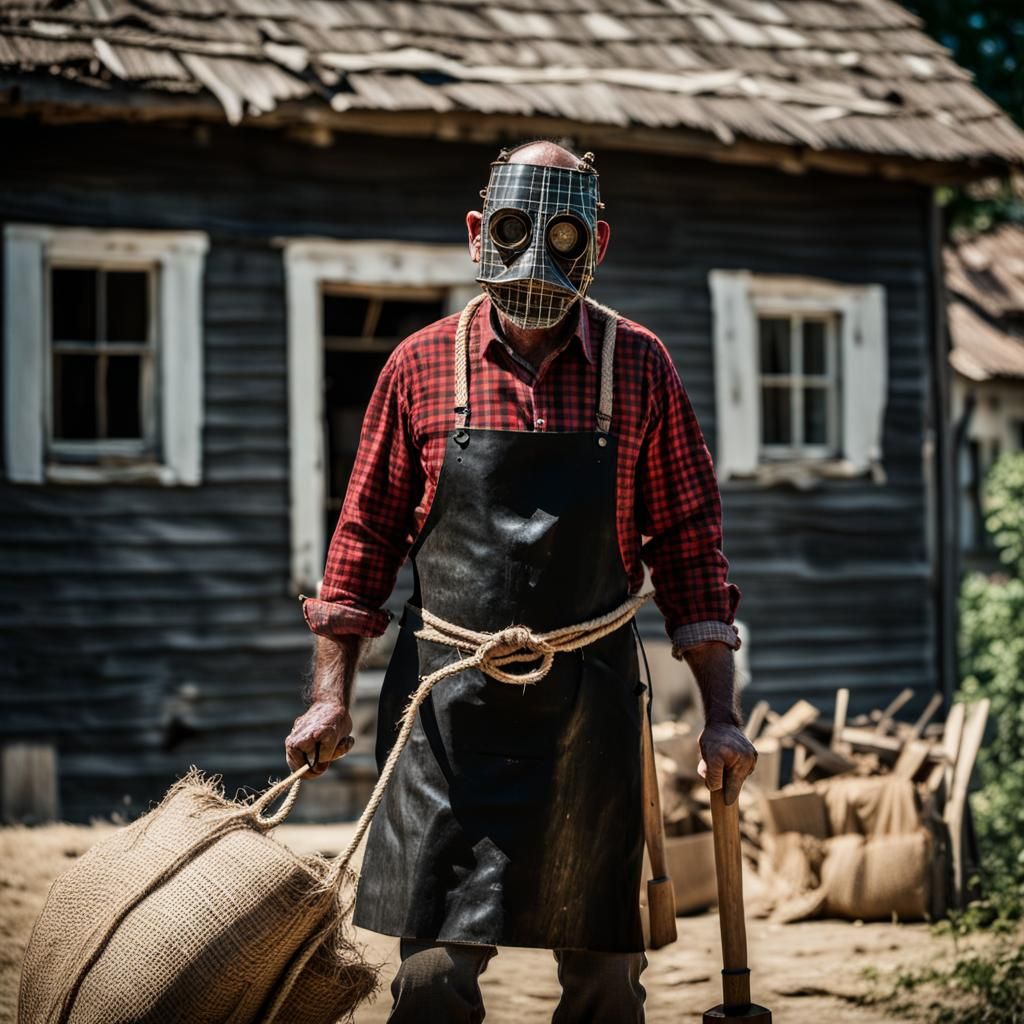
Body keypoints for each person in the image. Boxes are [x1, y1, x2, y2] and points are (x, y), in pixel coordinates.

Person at [286, 140, 757, 1023]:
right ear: (477, 232)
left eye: (564, 234)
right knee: (430, 986)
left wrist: (721, 716)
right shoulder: (419, 366)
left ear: (598, 245)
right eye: (509, 229)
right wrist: (327, 697)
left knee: (605, 986)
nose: (535, 254)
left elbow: (691, 551)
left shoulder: (641, 366)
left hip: (591, 713)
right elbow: (361, 544)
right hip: (446, 721)